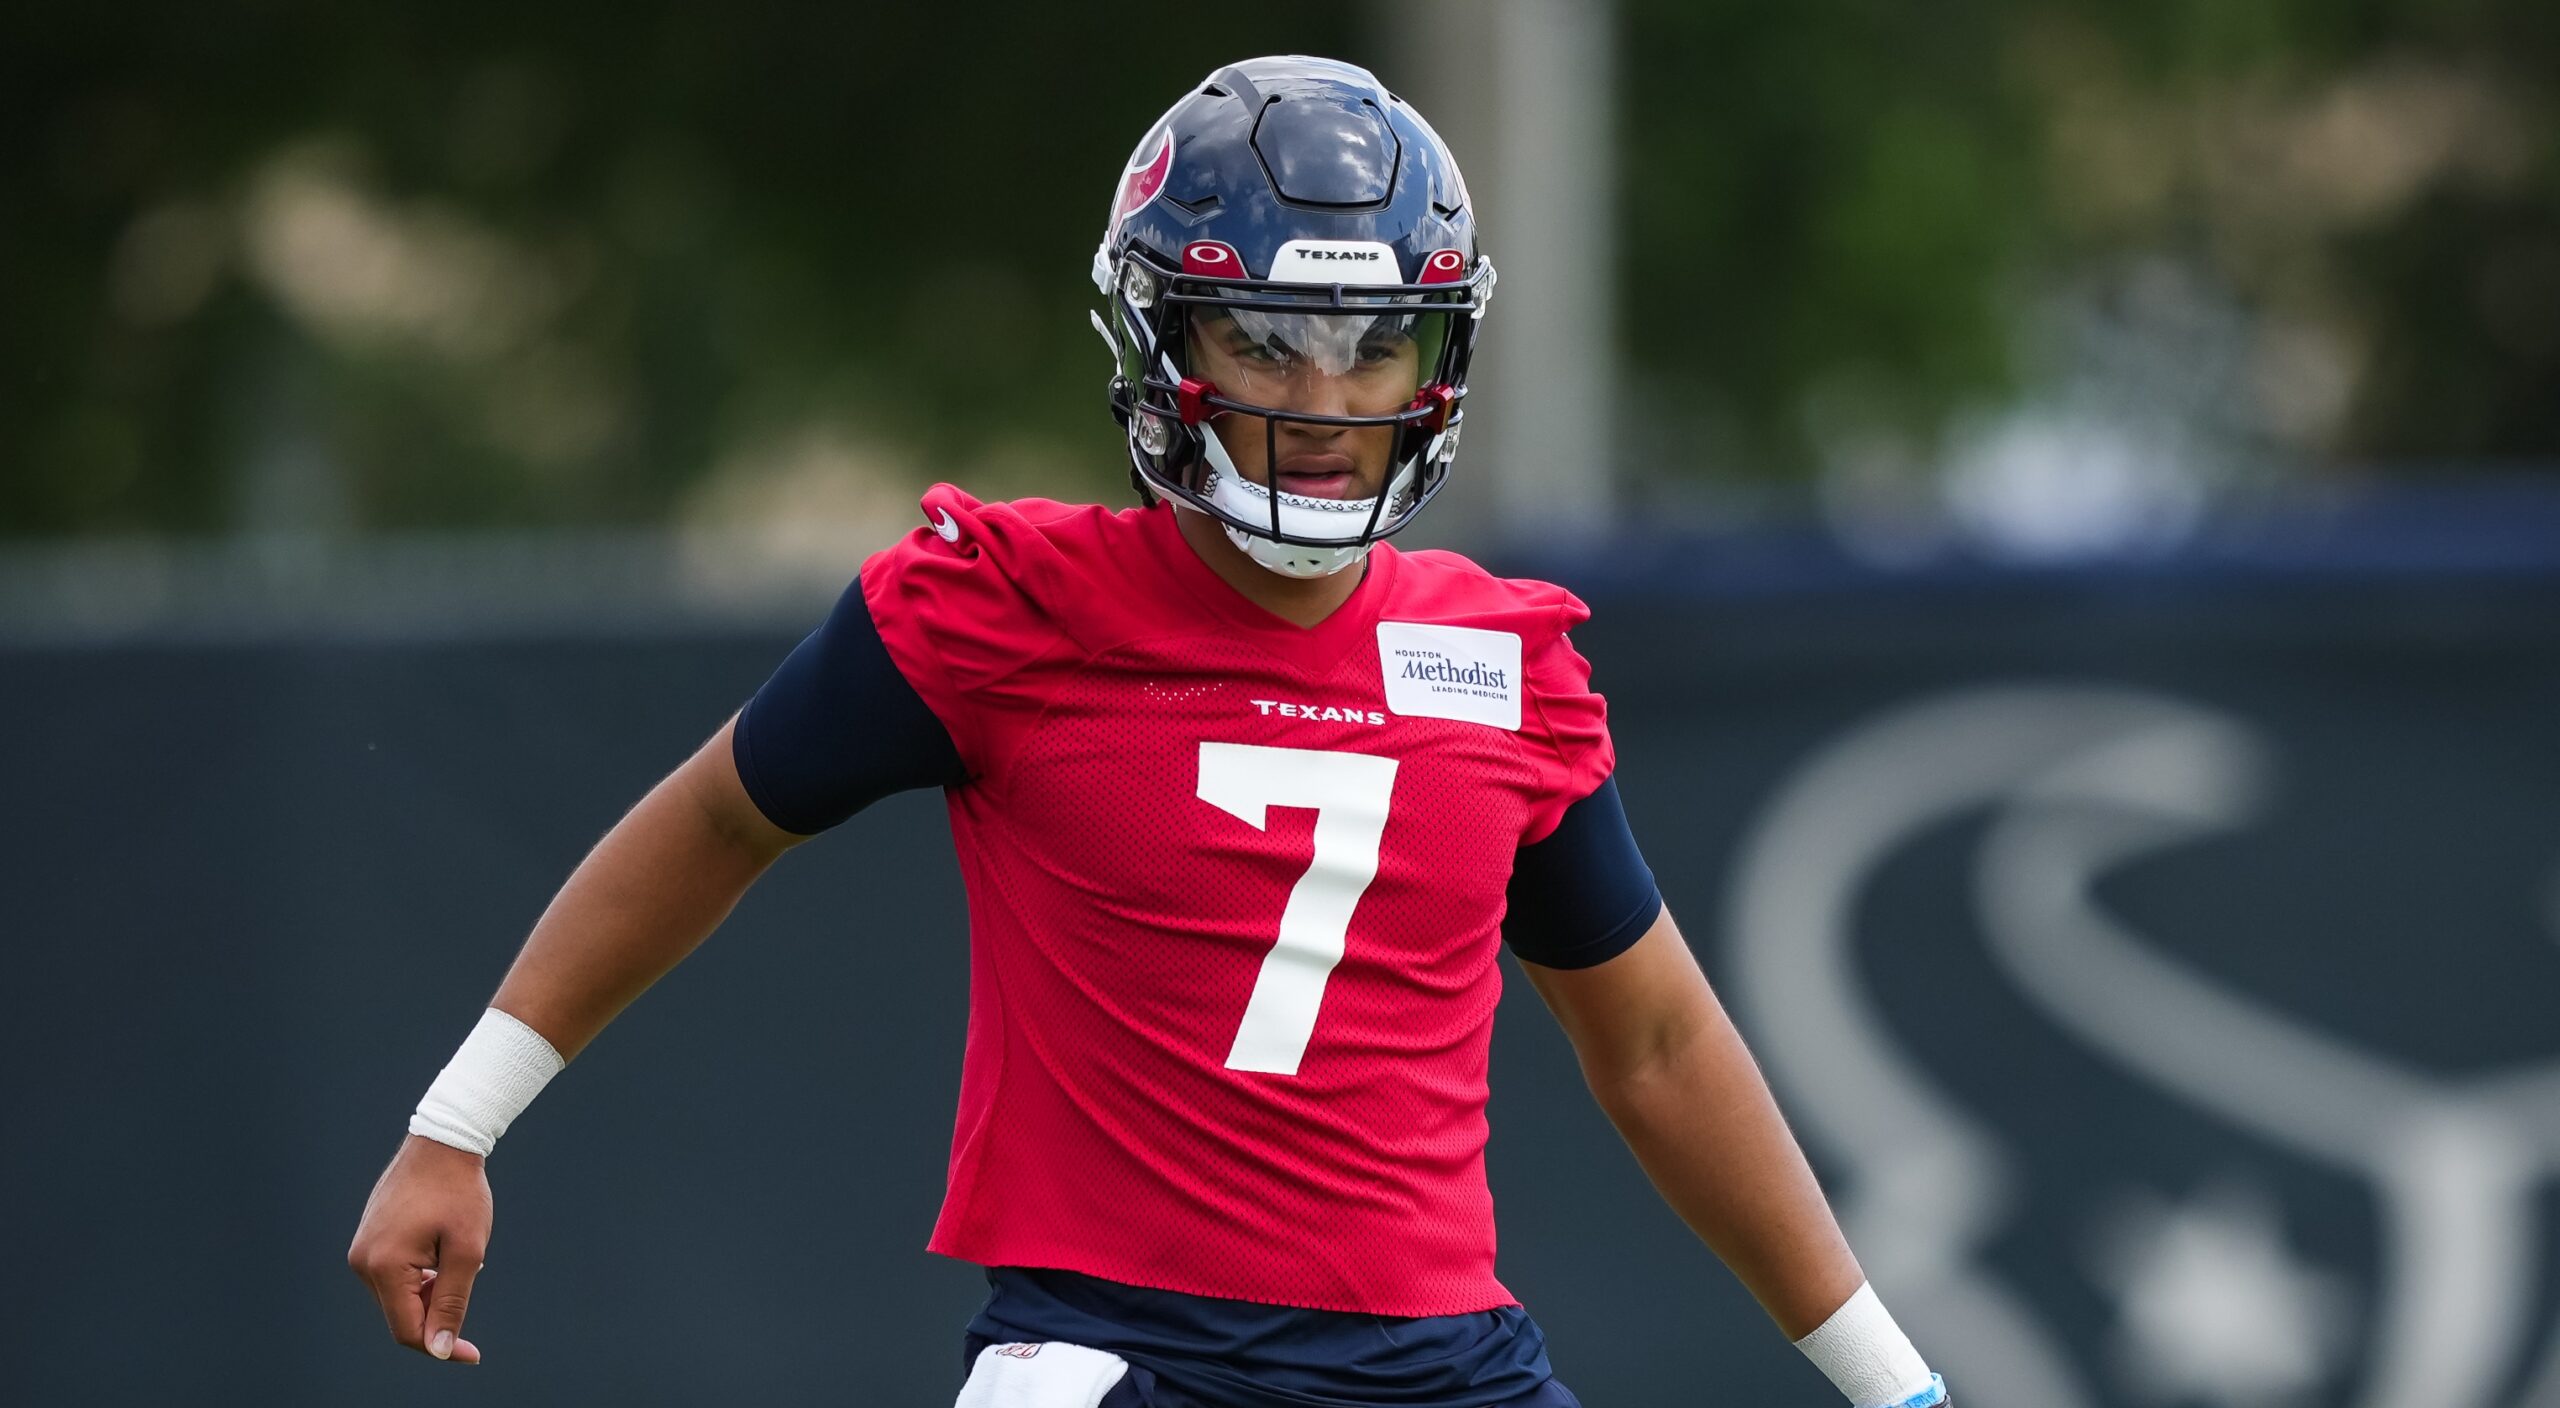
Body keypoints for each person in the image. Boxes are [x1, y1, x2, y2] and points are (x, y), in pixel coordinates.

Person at [348, 55, 1950, 1408]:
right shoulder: (998, 605)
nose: (1324, 402)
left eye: (1373, 343)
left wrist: (1900, 1385)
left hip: (1445, 1365)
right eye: (1264, 338)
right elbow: (718, 822)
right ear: (1162, 341)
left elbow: (1658, 1044)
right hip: (1113, 1358)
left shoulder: (1497, 660)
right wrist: (455, 1126)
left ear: (1439, 356)